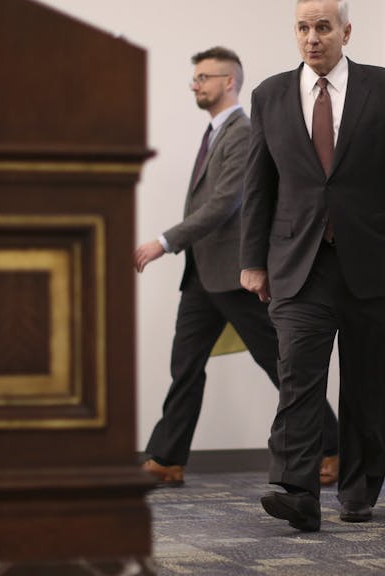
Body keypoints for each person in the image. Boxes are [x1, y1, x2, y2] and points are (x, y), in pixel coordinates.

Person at [241, 0, 385, 532]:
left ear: (346, 33)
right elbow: (258, 184)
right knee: (298, 378)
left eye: (324, 27)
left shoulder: (384, 88)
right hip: (299, 263)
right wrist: (252, 260)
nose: (313, 37)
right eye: (304, 28)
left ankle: (357, 491)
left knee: (369, 385)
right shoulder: (270, 96)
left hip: (375, 263)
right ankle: (295, 489)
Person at [135, 46, 339, 488]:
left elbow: (226, 202)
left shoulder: (242, 131)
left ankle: (332, 447)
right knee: (185, 366)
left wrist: (164, 242)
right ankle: (168, 459)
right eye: (195, 78)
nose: (195, 84)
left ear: (229, 82)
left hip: (235, 273)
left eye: (204, 77)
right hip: (202, 276)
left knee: (279, 363)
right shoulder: (214, 132)